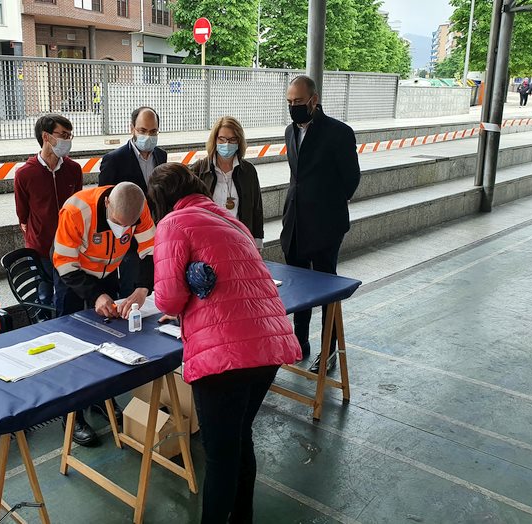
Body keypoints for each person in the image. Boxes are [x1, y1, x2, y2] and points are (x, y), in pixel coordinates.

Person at [148, 163, 301, 524]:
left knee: (219, 456)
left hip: (225, 357)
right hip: (269, 346)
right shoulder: (232, 221)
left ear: (161, 200)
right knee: (238, 438)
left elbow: (168, 301)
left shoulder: (173, 223)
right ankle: (242, 518)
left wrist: (183, 285)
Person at [52, 182, 155, 446]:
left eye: (128, 226)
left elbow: (149, 250)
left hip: (108, 273)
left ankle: (100, 401)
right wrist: (94, 295)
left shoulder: (138, 207)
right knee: (72, 348)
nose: (123, 230)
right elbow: (64, 262)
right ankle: (72, 417)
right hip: (72, 279)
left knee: (108, 343)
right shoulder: (76, 211)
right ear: (107, 203)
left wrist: (143, 289)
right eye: (118, 223)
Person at [281, 75, 361, 375]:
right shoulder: (290, 131)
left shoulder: (338, 132)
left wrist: (327, 204)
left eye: (298, 102)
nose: (293, 107)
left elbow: (351, 178)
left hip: (326, 224)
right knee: (298, 287)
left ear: (314, 99)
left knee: (327, 289)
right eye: (289, 103)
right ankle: (299, 341)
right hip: (295, 223)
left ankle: (328, 351)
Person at [14, 114, 82, 307]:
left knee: (67, 296)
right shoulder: (25, 174)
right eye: (62, 135)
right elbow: (23, 214)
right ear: (46, 136)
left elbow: (78, 204)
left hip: (69, 246)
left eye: (70, 136)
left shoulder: (73, 169)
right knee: (44, 295)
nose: (67, 140)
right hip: (41, 247)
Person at [98, 106, 167, 297]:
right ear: (132, 129)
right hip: (129, 243)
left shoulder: (161, 156)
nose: (148, 136)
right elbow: (106, 203)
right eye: (143, 130)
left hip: (156, 238)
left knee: (154, 292)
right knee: (131, 293)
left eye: (153, 131)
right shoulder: (114, 160)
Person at [190, 116, 264, 248]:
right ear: (215, 140)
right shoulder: (199, 169)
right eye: (222, 139)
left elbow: (257, 209)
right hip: (207, 243)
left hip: (240, 241)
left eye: (232, 139)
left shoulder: (248, 171)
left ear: (239, 141)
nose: (226, 144)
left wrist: (257, 243)